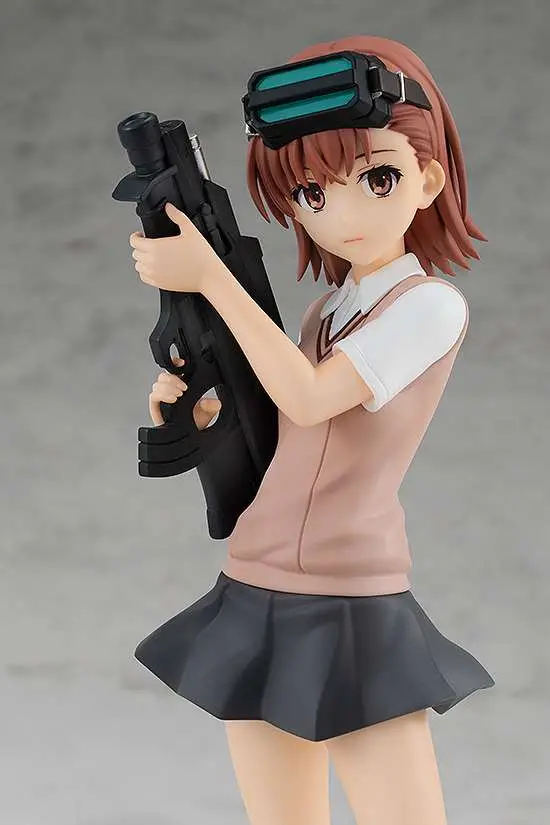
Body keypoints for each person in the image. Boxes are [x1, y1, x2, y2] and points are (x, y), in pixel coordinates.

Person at [128, 34, 494, 825]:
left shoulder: (429, 307)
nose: (342, 213)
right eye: (311, 193)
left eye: (377, 178)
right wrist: (198, 406)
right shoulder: (328, 311)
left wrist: (213, 278)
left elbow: (310, 398)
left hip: (352, 600)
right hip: (255, 580)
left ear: (427, 179)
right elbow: (282, 428)